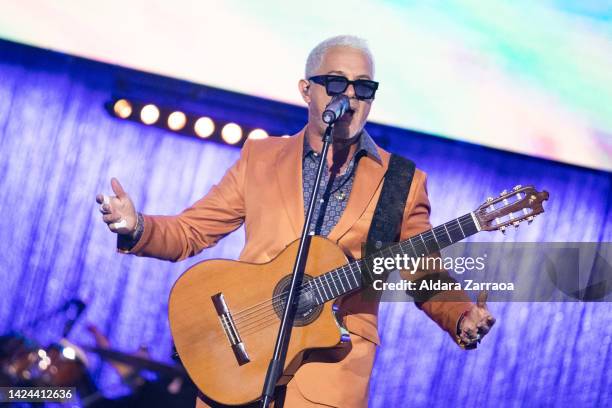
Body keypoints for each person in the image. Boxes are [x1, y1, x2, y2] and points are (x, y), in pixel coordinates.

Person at [96, 35, 495, 407]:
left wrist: (460, 314)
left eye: (364, 88)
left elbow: (423, 271)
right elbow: (192, 230)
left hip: (329, 375)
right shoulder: (261, 158)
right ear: (307, 90)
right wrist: (137, 226)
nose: (351, 98)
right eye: (337, 84)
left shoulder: (401, 181)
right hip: (240, 359)